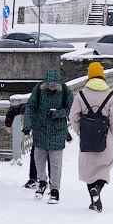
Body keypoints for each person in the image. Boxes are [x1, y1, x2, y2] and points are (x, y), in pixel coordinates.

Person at [69, 62, 113, 213]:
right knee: (105, 166)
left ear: (89, 76)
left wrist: (80, 132)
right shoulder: (112, 95)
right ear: (103, 76)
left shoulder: (81, 94)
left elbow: (73, 116)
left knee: (89, 170)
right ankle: (97, 189)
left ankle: (94, 201)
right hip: (105, 138)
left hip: (86, 137)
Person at [22, 68, 73, 204]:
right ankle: (42, 182)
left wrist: (56, 113)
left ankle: (55, 189)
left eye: (53, 86)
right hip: (40, 130)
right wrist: (27, 126)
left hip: (57, 131)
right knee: (39, 159)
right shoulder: (38, 89)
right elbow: (30, 106)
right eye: (49, 86)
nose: (51, 88)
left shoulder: (66, 91)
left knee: (56, 163)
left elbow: (70, 110)